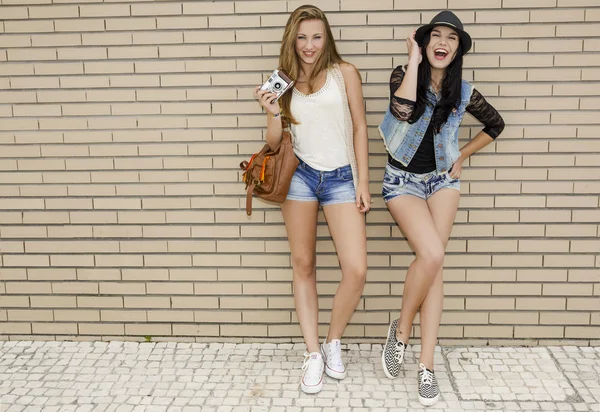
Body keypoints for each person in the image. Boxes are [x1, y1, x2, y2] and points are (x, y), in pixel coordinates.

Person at [378, 10, 505, 406]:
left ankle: (426, 365)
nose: (443, 42)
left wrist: (462, 154)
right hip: (401, 180)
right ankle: (401, 330)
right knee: (430, 254)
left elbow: (495, 125)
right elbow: (401, 111)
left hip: (441, 180)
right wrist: (414, 61)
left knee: (435, 265)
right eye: (436, 35)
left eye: (451, 38)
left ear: (457, 49)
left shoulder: (463, 92)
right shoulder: (403, 75)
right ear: (426, 42)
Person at [253, 5, 371, 394]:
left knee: (355, 269)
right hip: (300, 178)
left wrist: (362, 182)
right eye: (302, 37)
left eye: (316, 36)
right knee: (303, 264)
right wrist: (271, 111)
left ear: (327, 37)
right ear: (292, 39)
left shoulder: (344, 74)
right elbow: (274, 144)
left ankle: (333, 340)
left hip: (341, 178)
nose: (309, 45)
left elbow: (359, 127)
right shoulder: (282, 82)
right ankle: (312, 353)